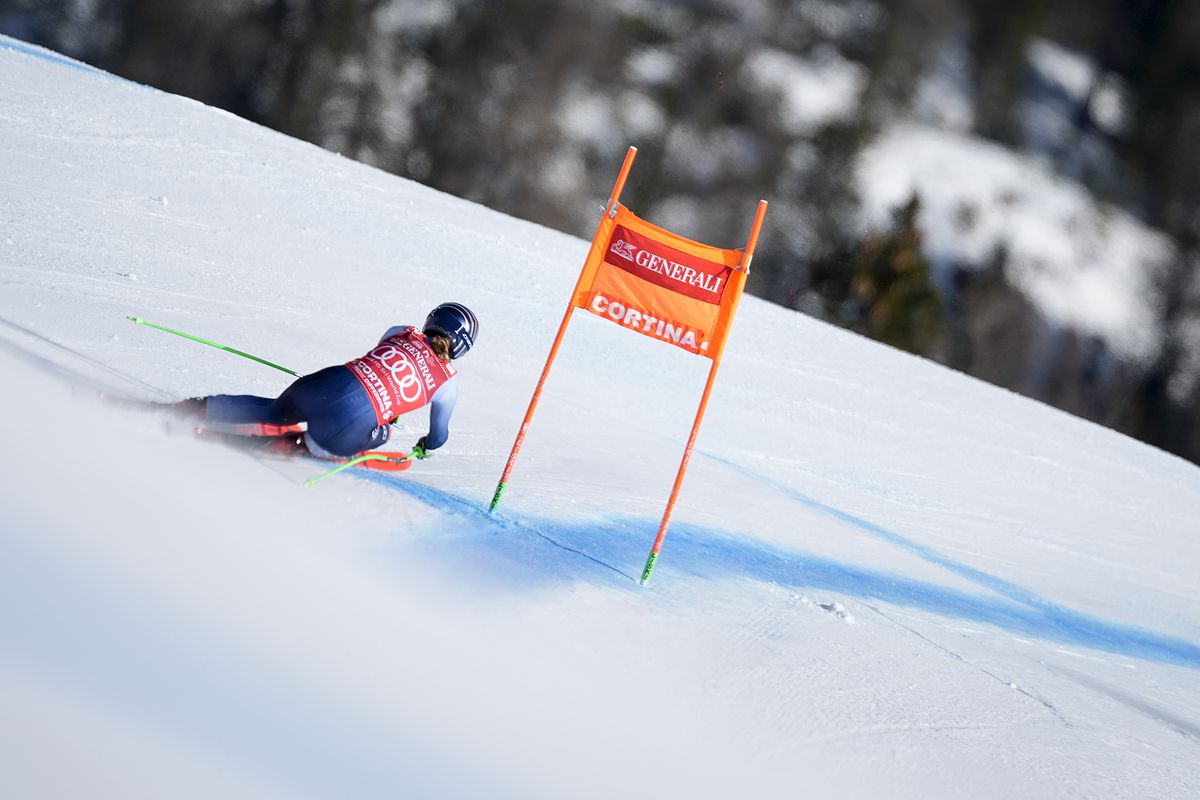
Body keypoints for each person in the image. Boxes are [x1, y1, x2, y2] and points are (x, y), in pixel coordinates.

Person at [179, 303, 478, 460]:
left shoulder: (402, 330)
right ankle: (291, 446)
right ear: (463, 345)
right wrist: (425, 446)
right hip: (347, 425)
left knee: (273, 411)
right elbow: (438, 437)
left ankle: (190, 409)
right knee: (383, 432)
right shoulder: (447, 384)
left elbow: (378, 364)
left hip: (325, 383)